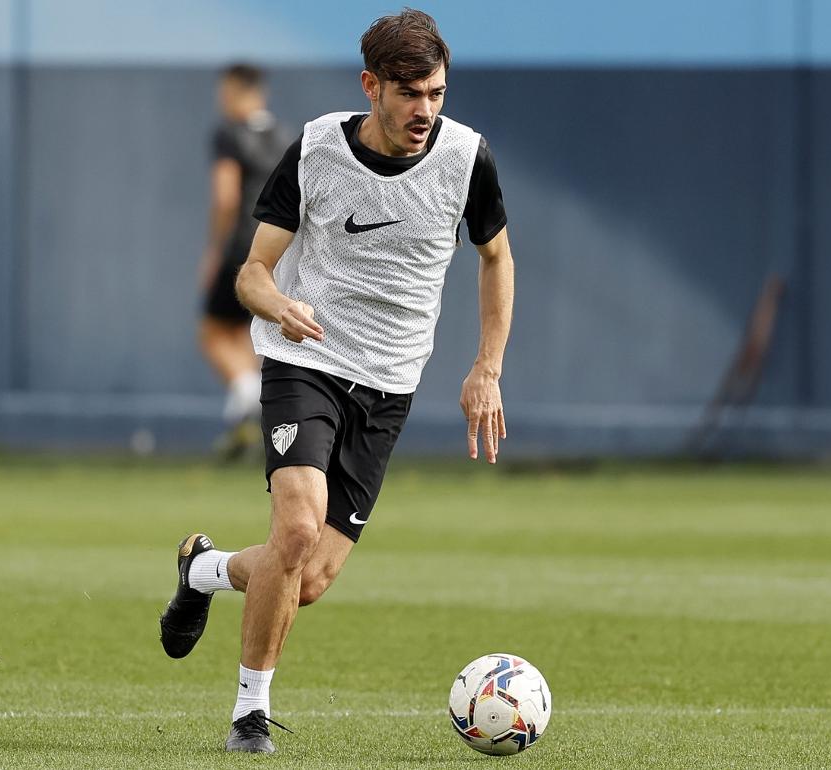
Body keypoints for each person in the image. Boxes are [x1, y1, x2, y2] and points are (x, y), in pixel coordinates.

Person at [160, 9, 513, 754]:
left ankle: (203, 571)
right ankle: (249, 716)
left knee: (308, 577)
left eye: (437, 95)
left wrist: (487, 366)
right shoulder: (318, 147)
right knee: (293, 529)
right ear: (371, 86)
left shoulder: (467, 158)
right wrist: (279, 306)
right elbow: (252, 271)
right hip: (306, 362)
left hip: (389, 384)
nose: (425, 111)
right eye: (410, 94)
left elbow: (495, 257)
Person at [198, 63, 289, 459]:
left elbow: (226, 197)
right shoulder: (286, 137)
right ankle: (246, 412)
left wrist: (215, 249)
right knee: (250, 334)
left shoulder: (228, 134)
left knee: (213, 331)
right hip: (277, 247)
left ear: (236, 91)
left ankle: (247, 395)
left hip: (241, 248)